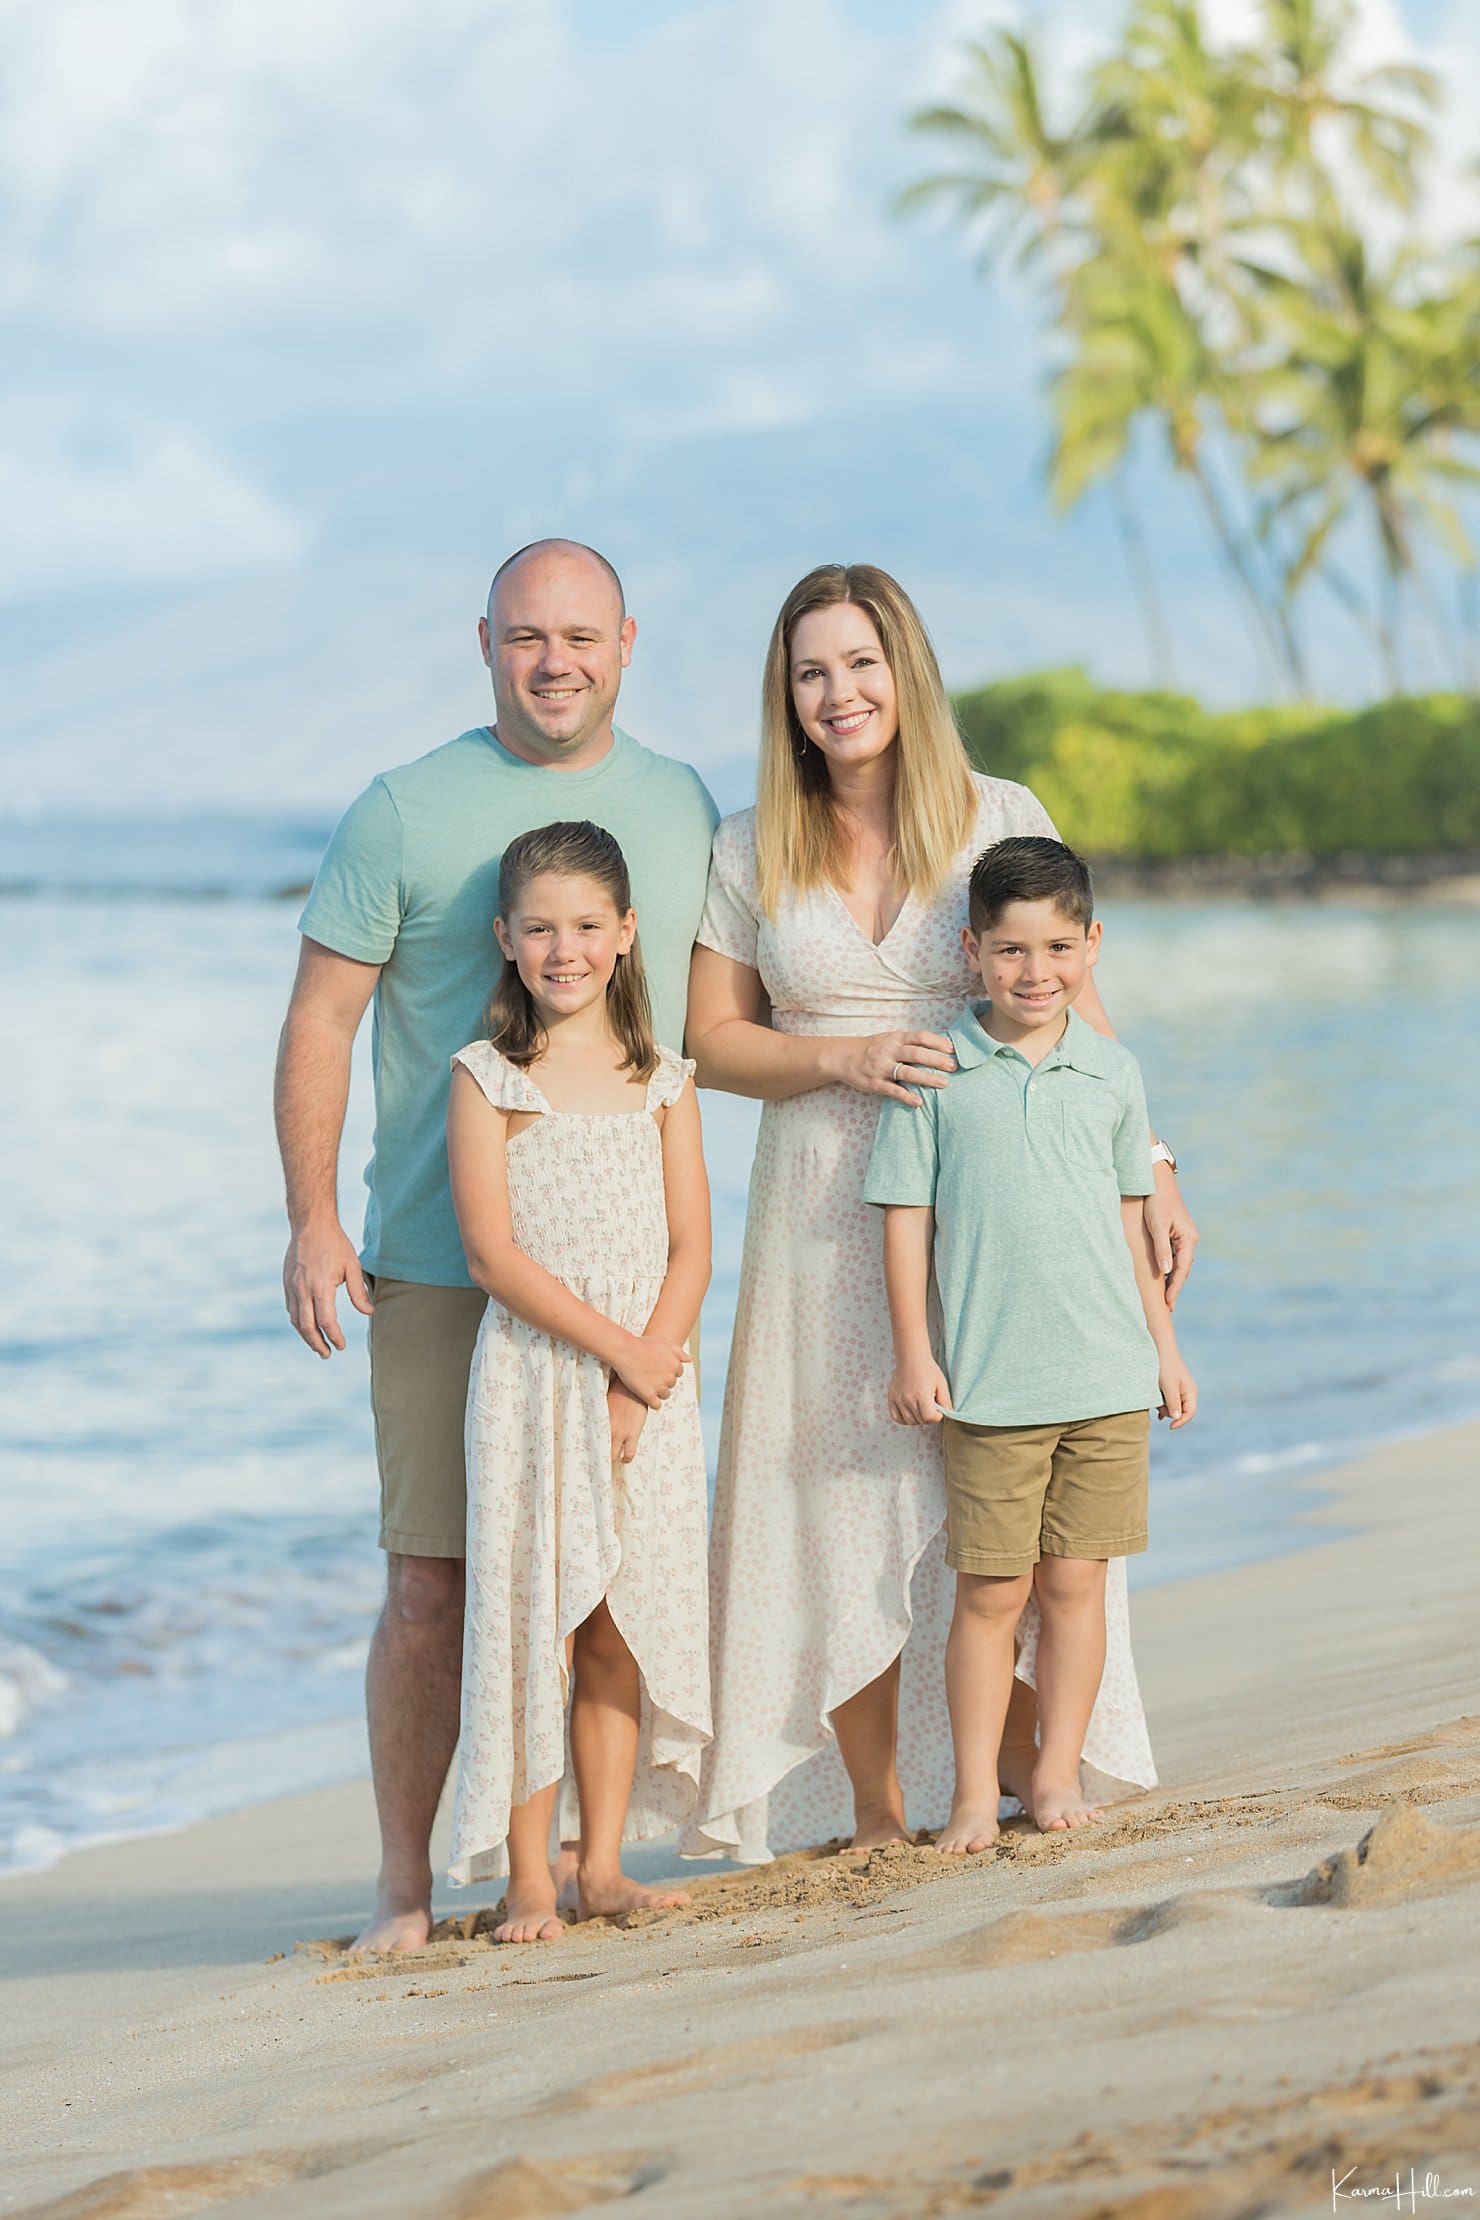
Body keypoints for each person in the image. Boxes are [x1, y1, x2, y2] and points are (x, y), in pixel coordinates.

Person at [682, 562, 1196, 1865]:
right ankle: (862, 1803)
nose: (839, 693)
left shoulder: (998, 814)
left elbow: (1082, 1013)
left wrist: (1157, 1161)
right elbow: (712, 1043)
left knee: (1002, 1489)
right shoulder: (748, 845)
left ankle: (1031, 1764)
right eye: (812, 672)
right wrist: (841, 1061)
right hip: (816, 1204)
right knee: (833, 1493)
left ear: (905, 671)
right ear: (785, 696)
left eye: (861, 664)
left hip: (1007, 1206)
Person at [274, 542, 718, 1953]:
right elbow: (321, 1022)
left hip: (625, 1274)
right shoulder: (403, 811)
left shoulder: (680, 804)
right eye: (528, 635)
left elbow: (701, 1032)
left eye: (581, 634)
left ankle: (594, 1857)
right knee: (433, 1583)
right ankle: (408, 1887)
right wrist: (310, 1214)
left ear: (628, 641)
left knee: (607, 1587)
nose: (556, 660)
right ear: (484, 643)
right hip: (436, 1263)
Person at [867, 836, 1197, 1849]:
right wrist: (913, 1353)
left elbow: (1135, 1226)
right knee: (993, 1592)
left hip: (1103, 1374)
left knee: (1075, 1584)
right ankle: (973, 1792)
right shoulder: (936, 1071)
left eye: (1057, 947)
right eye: (1010, 950)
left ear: (1091, 944)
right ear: (971, 950)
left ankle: (1054, 1774)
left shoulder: (1112, 1072)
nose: (1035, 971)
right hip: (990, 1385)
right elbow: (904, 1221)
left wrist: (1166, 1352)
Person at [445, 821, 711, 1940]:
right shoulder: (488, 1079)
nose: (565, 950)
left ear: (626, 935)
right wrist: (617, 1355)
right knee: (530, 1627)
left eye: (587, 927)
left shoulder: (664, 1081)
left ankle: (601, 1866)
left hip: (649, 1388)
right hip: (532, 1382)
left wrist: (640, 1379)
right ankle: (526, 1878)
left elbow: (693, 1248)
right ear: (505, 939)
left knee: (614, 1626)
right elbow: (490, 1257)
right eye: (541, 928)